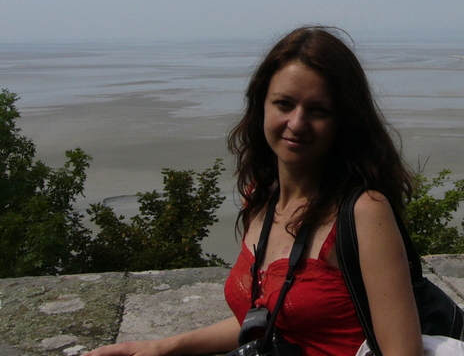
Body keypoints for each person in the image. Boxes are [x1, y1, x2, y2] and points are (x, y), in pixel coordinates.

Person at [85, 26, 423, 356]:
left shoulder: (364, 211)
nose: (297, 123)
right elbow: (269, 323)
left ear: (345, 120)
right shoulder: (262, 196)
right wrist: (164, 346)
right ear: (261, 105)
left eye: (318, 110)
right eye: (284, 104)